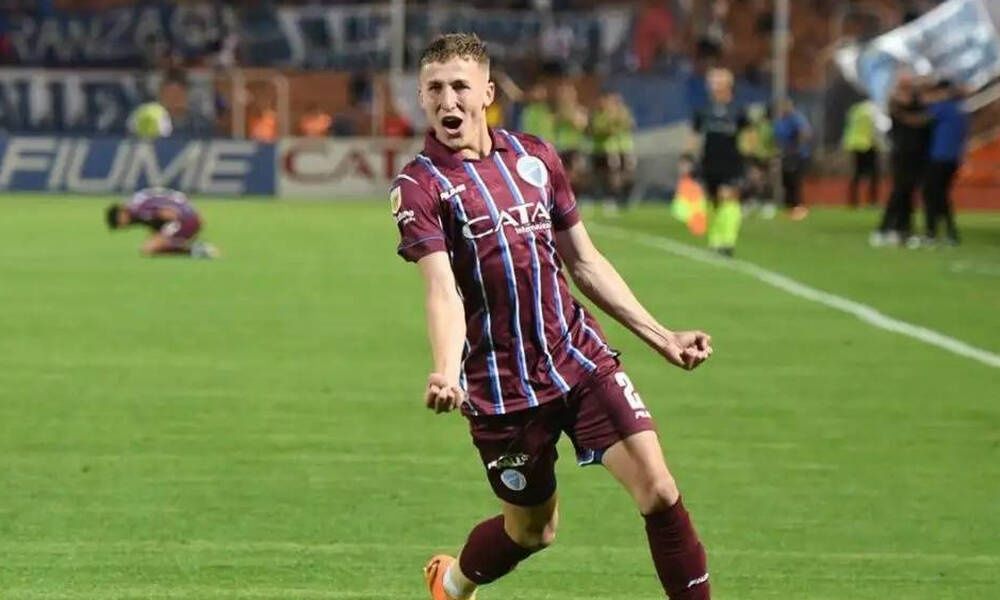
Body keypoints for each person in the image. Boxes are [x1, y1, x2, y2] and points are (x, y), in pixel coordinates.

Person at [390, 33, 714, 600]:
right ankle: (452, 582)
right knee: (532, 531)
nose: (448, 100)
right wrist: (446, 370)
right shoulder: (419, 187)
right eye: (435, 89)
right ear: (422, 98)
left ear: (487, 93)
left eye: (460, 86)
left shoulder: (536, 158)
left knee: (659, 490)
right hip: (501, 388)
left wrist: (662, 336)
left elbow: (583, 261)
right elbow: (442, 289)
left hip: (578, 358)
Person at [690, 67, 748, 256]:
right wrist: (688, 157)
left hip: (732, 161)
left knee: (729, 197)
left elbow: (748, 135)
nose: (712, 86)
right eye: (711, 82)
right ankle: (715, 239)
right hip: (709, 161)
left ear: (727, 85)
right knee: (713, 200)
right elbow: (695, 135)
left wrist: (751, 157)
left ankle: (728, 241)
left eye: (717, 82)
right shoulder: (703, 110)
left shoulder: (738, 110)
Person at [872, 72, 931, 247]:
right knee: (900, 191)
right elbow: (914, 118)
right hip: (902, 152)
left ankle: (904, 229)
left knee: (909, 192)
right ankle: (885, 228)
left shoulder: (918, 101)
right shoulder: (896, 101)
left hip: (918, 153)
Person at [105, 188, 218, 258]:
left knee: (149, 248)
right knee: (152, 245)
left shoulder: (138, 210)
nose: (122, 228)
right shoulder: (136, 203)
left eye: (118, 224)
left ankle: (197, 250)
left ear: (121, 215)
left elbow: (170, 214)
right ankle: (191, 247)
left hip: (185, 219)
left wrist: (167, 236)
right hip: (189, 216)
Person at [921, 80, 967, 245]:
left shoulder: (942, 107)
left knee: (930, 194)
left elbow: (923, 118)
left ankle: (931, 233)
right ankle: (950, 233)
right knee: (942, 195)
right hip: (953, 157)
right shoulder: (960, 109)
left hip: (939, 156)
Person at [590, 91, 637, 211]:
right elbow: (598, 129)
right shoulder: (601, 114)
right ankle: (610, 198)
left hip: (623, 148)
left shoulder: (624, 113)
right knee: (606, 175)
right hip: (608, 148)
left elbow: (631, 125)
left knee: (624, 174)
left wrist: (620, 121)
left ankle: (623, 197)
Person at [772, 98, 812, 221]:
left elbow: (805, 133)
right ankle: (790, 208)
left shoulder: (796, 119)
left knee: (795, 181)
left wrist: (796, 147)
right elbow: (777, 138)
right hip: (785, 155)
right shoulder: (780, 121)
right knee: (786, 181)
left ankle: (799, 207)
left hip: (797, 155)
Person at [842, 97, 881, 208]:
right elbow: (876, 128)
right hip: (869, 144)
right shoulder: (872, 110)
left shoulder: (855, 110)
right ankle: (872, 201)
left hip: (855, 144)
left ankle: (853, 201)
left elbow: (849, 127)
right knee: (873, 174)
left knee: (857, 173)